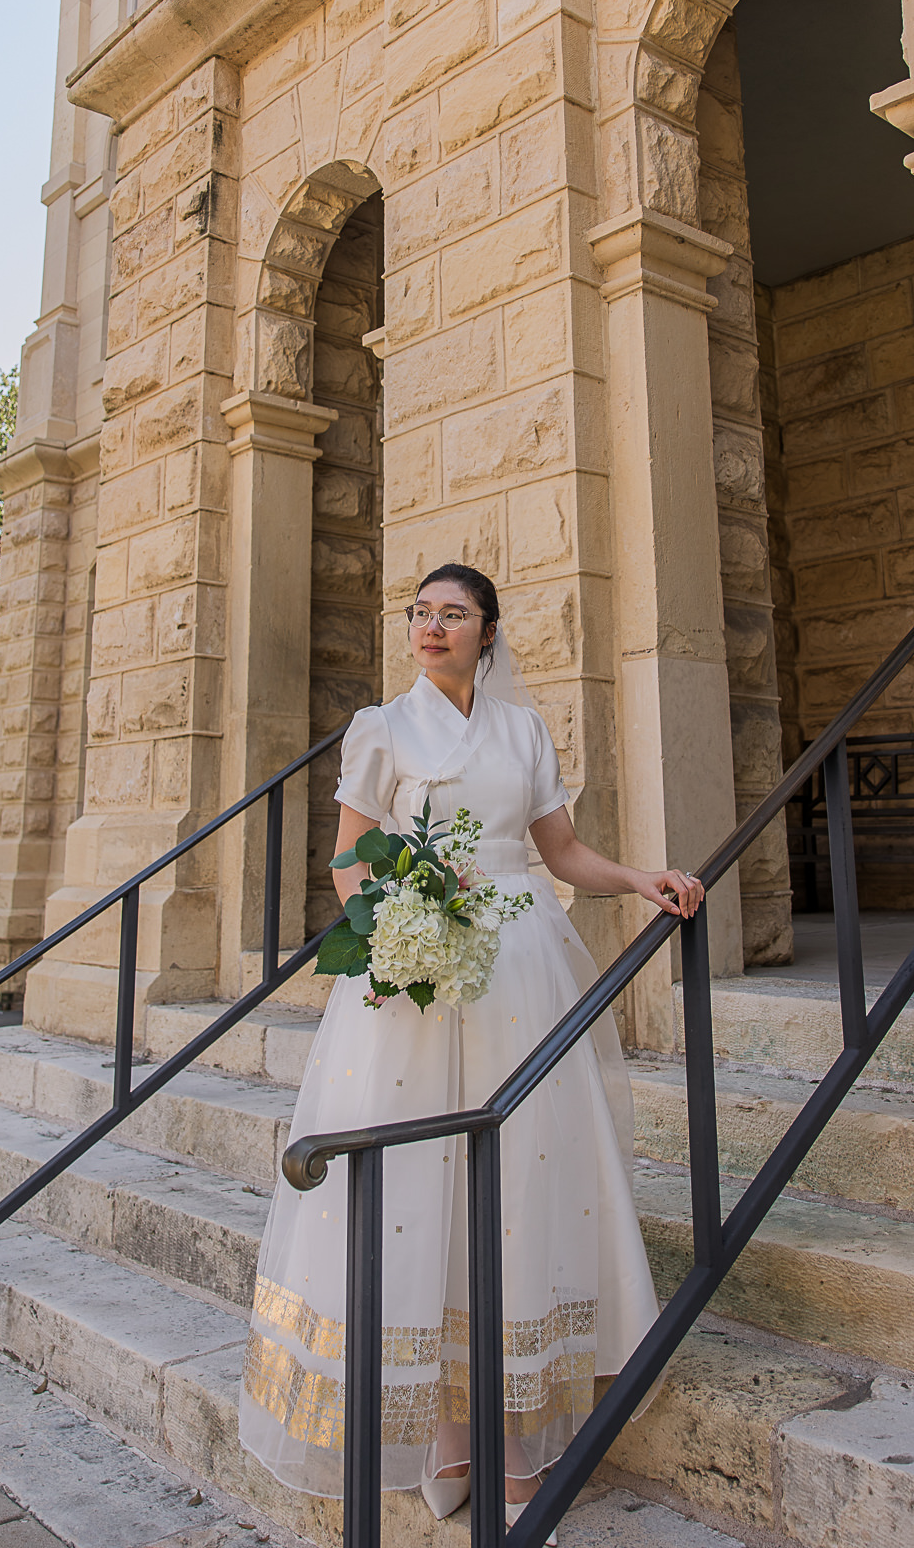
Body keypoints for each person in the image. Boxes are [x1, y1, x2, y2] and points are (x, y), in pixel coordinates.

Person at [239, 563, 705, 1531]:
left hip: (519, 964)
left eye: (453, 613)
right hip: (413, 978)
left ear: (488, 630)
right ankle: (446, 1433)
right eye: (420, 612)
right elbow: (344, 855)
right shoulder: (382, 727)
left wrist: (638, 876)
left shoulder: (523, 730)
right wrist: (396, 918)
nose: (431, 625)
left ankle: (510, 1431)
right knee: (422, 1185)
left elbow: (558, 850)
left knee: (515, 1183)